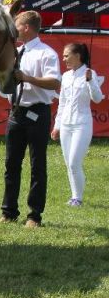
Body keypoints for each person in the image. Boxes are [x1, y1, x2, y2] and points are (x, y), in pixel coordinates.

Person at [0, 10, 61, 228]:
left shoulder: (47, 53)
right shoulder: (15, 51)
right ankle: (8, 211)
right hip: (17, 112)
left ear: (26, 27)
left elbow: (54, 83)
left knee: (37, 165)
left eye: (16, 26)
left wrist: (27, 78)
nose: (14, 30)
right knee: (11, 164)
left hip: (38, 113)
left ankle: (34, 215)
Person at [51, 42, 104, 206]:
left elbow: (97, 98)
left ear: (78, 56)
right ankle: (74, 196)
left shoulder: (90, 73)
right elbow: (62, 103)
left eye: (67, 55)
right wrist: (57, 125)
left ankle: (78, 198)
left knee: (74, 161)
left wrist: (90, 81)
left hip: (82, 124)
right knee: (69, 163)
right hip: (66, 124)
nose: (63, 58)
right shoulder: (66, 76)